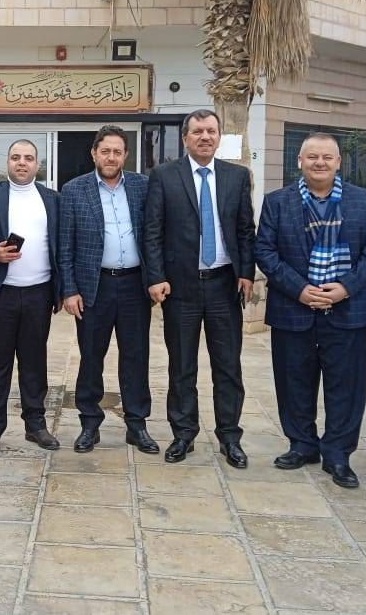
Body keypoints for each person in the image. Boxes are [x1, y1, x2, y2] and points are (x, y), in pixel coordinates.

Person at [256, 133, 366, 488]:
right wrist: (299, 289)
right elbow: (265, 251)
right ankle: (302, 445)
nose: (320, 162)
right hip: (293, 307)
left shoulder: (362, 200)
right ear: (300, 161)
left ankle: (338, 454)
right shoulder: (277, 202)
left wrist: (345, 288)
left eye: (327, 157)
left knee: (346, 387)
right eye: (312, 156)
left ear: (338, 162)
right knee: (293, 382)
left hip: (347, 308)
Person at [144, 109, 256, 468]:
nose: (205, 137)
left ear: (219, 136)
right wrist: (156, 276)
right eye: (197, 131)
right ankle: (183, 434)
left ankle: (230, 437)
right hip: (181, 288)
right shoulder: (164, 176)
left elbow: (245, 230)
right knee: (182, 367)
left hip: (224, 285)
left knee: (228, 367)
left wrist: (247, 272)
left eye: (211, 131)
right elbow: (152, 231)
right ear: (185, 138)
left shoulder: (237, 177)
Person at [59, 125, 155, 455]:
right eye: (105, 151)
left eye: (117, 152)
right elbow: (65, 245)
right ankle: (89, 424)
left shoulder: (143, 187)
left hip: (134, 286)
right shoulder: (74, 190)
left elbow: (154, 235)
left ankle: (137, 425)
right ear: (94, 154)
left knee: (136, 357)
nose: (111, 157)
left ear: (125, 155)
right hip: (93, 287)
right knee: (90, 357)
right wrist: (69, 289)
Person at [0, 139, 61, 455]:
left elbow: (61, 244)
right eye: (15, 157)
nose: (21, 162)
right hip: (1, 294)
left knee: (34, 363)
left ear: (37, 164)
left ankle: (35, 425)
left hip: (40, 293)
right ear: (7, 162)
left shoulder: (52, 199)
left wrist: (63, 290)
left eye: (28, 158)